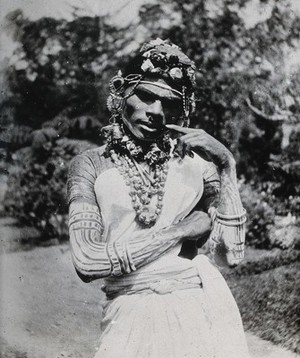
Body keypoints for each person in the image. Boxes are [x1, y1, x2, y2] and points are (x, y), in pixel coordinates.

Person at [67, 38, 249, 358]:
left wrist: (226, 165)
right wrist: (180, 231)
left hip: (197, 311)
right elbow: (86, 261)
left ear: (183, 110)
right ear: (123, 92)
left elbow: (231, 254)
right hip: (127, 313)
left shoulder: (199, 168)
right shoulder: (91, 165)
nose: (156, 112)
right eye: (147, 96)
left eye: (168, 104)